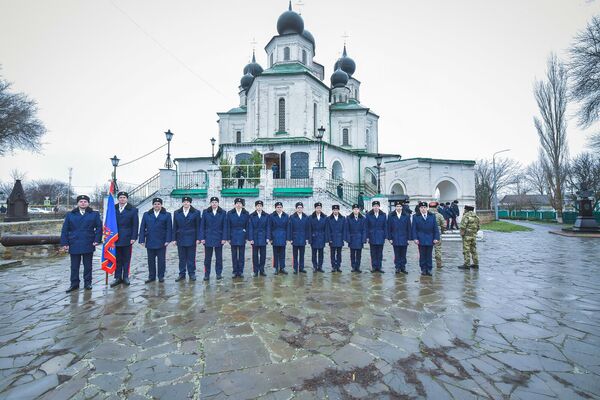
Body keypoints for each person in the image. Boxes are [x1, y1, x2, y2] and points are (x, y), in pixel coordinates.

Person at [60, 195, 102, 292]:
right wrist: (65, 243)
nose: (83, 203)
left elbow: (99, 228)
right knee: (74, 266)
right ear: (78, 203)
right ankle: (74, 284)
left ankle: (88, 283)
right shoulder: (70, 214)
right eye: (81, 201)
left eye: (85, 201)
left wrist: (97, 239)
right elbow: (65, 230)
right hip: (74, 242)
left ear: (88, 203)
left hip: (88, 242)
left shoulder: (94, 214)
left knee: (88, 265)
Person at [138, 197, 172, 283]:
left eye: (158, 204)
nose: (157, 205)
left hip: (162, 241)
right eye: (155, 204)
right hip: (150, 241)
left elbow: (169, 228)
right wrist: (142, 239)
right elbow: (142, 227)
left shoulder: (167, 215)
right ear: (152, 205)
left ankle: (161, 276)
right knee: (150, 260)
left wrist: (168, 240)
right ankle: (151, 276)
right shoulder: (146, 214)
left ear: (161, 205)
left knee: (161, 260)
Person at [110, 191, 139, 287]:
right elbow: (109, 223)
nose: (122, 199)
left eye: (124, 197)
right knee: (117, 259)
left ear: (127, 199)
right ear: (118, 199)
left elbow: (135, 225)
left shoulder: (133, 210)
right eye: (120, 197)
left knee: (126, 259)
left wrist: (133, 237)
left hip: (127, 237)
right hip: (115, 237)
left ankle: (125, 276)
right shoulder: (112, 209)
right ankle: (117, 277)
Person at [172, 196, 201, 282]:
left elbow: (198, 226)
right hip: (180, 237)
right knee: (181, 257)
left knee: (191, 257)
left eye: (188, 202)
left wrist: (198, 238)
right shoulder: (177, 212)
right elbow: (175, 226)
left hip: (192, 237)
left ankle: (191, 273)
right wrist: (174, 239)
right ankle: (182, 273)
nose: (186, 203)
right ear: (182, 203)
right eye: (184, 202)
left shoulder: (196, 212)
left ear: (190, 203)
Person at [200, 197, 227, 281]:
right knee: (207, 258)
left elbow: (225, 226)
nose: (214, 204)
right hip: (208, 238)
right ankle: (206, 274)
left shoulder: (223, 212)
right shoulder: (205, 212)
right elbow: (202, 226)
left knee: (219, 257)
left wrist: (224, 238)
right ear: (210, 203)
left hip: (219, 238)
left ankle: (218, 273)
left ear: (218, 203)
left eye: (216, 202)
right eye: (212, 202)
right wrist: (202, 238)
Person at [411, 201, 440, 276]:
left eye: (424, 207)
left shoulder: (432, 216)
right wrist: (415, 238)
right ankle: (423, 269)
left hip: (430, 238)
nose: (423, 209)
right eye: (421, 208)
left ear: (427, 208)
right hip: (420, 239)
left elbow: (435, 228)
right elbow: (414, 229)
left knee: (429, 255)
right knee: (422, 254)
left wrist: (436, 238)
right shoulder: (415, 217)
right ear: (419, 208)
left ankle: (429, 269)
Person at [226, 198, 250, 278]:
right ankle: (235, 271)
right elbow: (228, 226)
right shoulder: (230, 213)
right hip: (233, 235)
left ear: (242, 205)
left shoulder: (246, 213)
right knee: (234, 255)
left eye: (240, 203)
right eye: (237, 203)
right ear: (234, 204)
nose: (239, 205)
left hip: (242, 236)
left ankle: (241, 271)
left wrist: (247, 236)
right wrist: (228, 237)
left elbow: (248, 226)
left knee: (241, 255)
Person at [387, 200, 411, 274]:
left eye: (400, 206)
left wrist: (409, 238)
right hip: (395, 237)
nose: (399, 207)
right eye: (397, 206)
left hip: (404, 237)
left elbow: (409, 228)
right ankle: (397, 267)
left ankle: (403, 267)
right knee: (396, 253)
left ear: (402, 207)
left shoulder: (406, 215)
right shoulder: (391, 216)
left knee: (403, 254)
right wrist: (390, 238)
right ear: (395, 207)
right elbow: (389, 228)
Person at [248, 200, 269, 277]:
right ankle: (255, 270)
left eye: (260, 206)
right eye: (257, 206)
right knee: (255, 255)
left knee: (263, 255)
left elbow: (268, 227)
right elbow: (250, 228)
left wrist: (268, 237)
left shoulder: (266, 215)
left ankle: (262, 270)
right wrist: (251, 238)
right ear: (255, 207)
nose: (259, 207)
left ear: (262, 207)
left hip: (263, 237)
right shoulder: (251, 215)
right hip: (255, 237)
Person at [288, 201, 309, 274]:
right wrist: (290, 239)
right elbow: (290, 228)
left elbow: (307, 229)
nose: (300, 209)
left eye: (301, 208)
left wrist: (307, 238)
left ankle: (301, 268)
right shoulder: (292, 217)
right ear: (296, 209)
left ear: (303, 208)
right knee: (295, 254)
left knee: (302, 254)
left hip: (303, 238)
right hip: (295, 238)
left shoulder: (306, 217)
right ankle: (295, 268)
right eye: (298, 208)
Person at [366, 200, 387, 273]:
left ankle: (379, 267)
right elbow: (367, 226)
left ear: (379, 206)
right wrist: (367, 236)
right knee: (373, 252)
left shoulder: (383, 215)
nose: (376, 207)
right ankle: (374, 267)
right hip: (372, 236)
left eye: (377, 206)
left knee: (380, 252)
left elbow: (385, 226)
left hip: (380, 235)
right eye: (374, 206)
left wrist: (385, 236)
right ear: (372, 207)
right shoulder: (368, 215)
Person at [345, 204, 366, 273]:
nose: (356, 210)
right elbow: (347, 229)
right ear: (352, 210)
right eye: (354, 209)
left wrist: (363, 239)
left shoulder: (362, 218)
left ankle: (358, 266)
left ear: (359, 210)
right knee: (352, 254)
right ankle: (353, 266)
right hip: (352, 238)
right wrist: (348, 239)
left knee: (359, 254)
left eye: (357, 209)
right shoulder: (348, 218)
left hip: (359, 238)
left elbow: (364, 230)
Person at [268, 201, 289, 274]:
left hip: (283, 236)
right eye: (278, 207)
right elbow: (269, 227)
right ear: (275, 208)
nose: (279, 208)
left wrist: (287, 238)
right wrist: (270, 238)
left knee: (283, 253)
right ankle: (276, 268)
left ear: (282, 208)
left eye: (280, 207)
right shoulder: (271, 216)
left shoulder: (286, 216)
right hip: (275, 236)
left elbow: (288, 227)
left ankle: (282, 268)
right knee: (275, 254)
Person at [308, 202, 327, 273]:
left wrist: (326, 239)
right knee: (314, 253)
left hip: (321, 237)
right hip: (314, 237)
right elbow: (309, 229)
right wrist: (310, 239)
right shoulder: (311, 217)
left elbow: (326, 229)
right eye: (317, 208)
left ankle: (320, 266)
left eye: (320, 208)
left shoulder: (325, 217)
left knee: (321, 253)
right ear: (315, 208)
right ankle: (315, 266)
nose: (318, 209)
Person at [459, 205, 480, 269]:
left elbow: (463, 226)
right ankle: (476, 263)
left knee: (466, 250)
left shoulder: (466, 216)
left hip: (467, 236)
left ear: (466, 210)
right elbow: (478, 227)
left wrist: (462, 234)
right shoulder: (476, 217)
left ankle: (467, 264)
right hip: (473, 235)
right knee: (474, 250)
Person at [327, 204, 345, 272]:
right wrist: (329, 239)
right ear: (332, 211)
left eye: (337, 210)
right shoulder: (329, 218)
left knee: (339, 253)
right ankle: (333, 266)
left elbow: (344, 229)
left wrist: (343, 238)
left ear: (338, 210)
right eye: (334, 210)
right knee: (332, 253)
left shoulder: (342, 218)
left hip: (340, 238)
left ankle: (338, 266)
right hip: (332, 238)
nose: (335, 211)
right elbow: (328, 230)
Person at [428, 201, 446, 268]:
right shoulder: (439, 215)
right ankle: (439, 264)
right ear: (436, 207)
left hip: (428, 235)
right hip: (437, 234)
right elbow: (444, 225)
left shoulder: (426, 214)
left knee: (427, 250)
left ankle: (428, 264)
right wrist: (442, 231)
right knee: (438, 249)